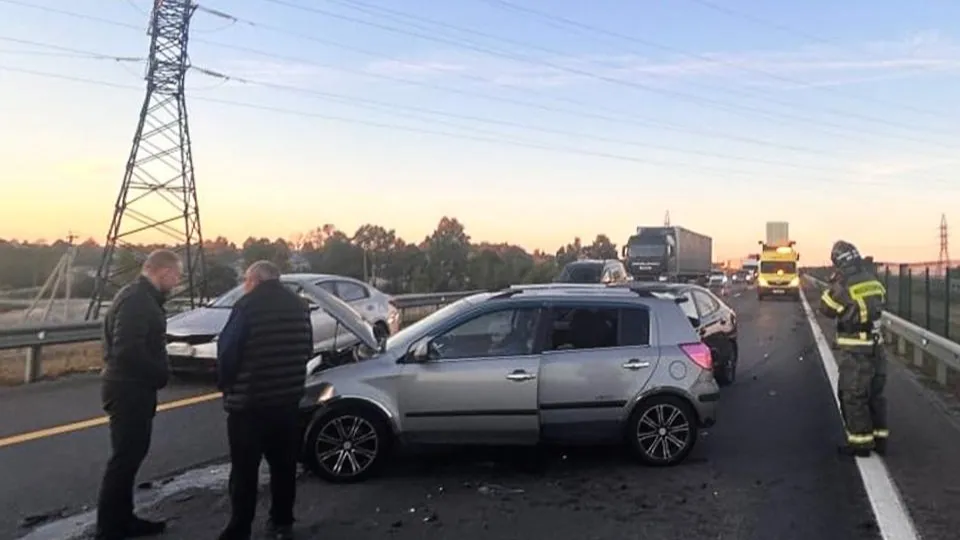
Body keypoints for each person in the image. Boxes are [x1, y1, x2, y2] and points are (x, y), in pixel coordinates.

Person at [216, 261, 314, 540]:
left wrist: (227, 386)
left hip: (250, 404)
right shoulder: (300, 306)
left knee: (245, 471)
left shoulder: (247, 306)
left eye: (246, 281)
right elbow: (306, 348)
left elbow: (228, 352)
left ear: (254, 280)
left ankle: (239, 528)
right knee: (283, 467)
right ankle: (282, 521)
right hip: (287, 402)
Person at [95, 249, 182, 540]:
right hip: (127, 388)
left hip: (131, 386)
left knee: (131, 456)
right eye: (176, 275)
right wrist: (159, 373)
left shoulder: (139, 297)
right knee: (125, 458)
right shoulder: (137, 300)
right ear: (163, 271)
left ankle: (123, 519)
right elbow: (127, 349)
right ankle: (109, 528)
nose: (178, 281)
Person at [818, 240, 889, 457]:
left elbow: (827, 309)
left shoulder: (846, 285)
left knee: (853, 395)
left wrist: (835, 284)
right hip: (877, 348)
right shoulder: (872, 280)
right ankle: (880, 440)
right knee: (875, 395)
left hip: (857, 350)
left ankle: (861, 444)